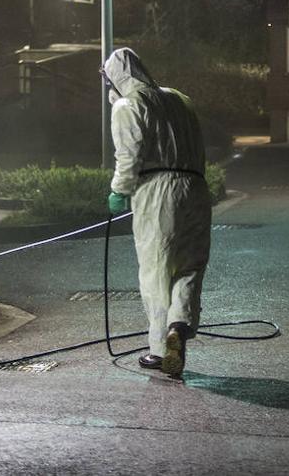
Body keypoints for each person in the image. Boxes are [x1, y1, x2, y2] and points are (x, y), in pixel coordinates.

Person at [103, 47, 211, 378]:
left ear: (116, 77)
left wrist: (119, 191)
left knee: (157, 271)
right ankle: (179, 324)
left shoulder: (128, 105)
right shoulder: (180, 99)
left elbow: (129, 157)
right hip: (196, 188)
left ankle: (159, 350)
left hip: (157, 193)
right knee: (190, 267)